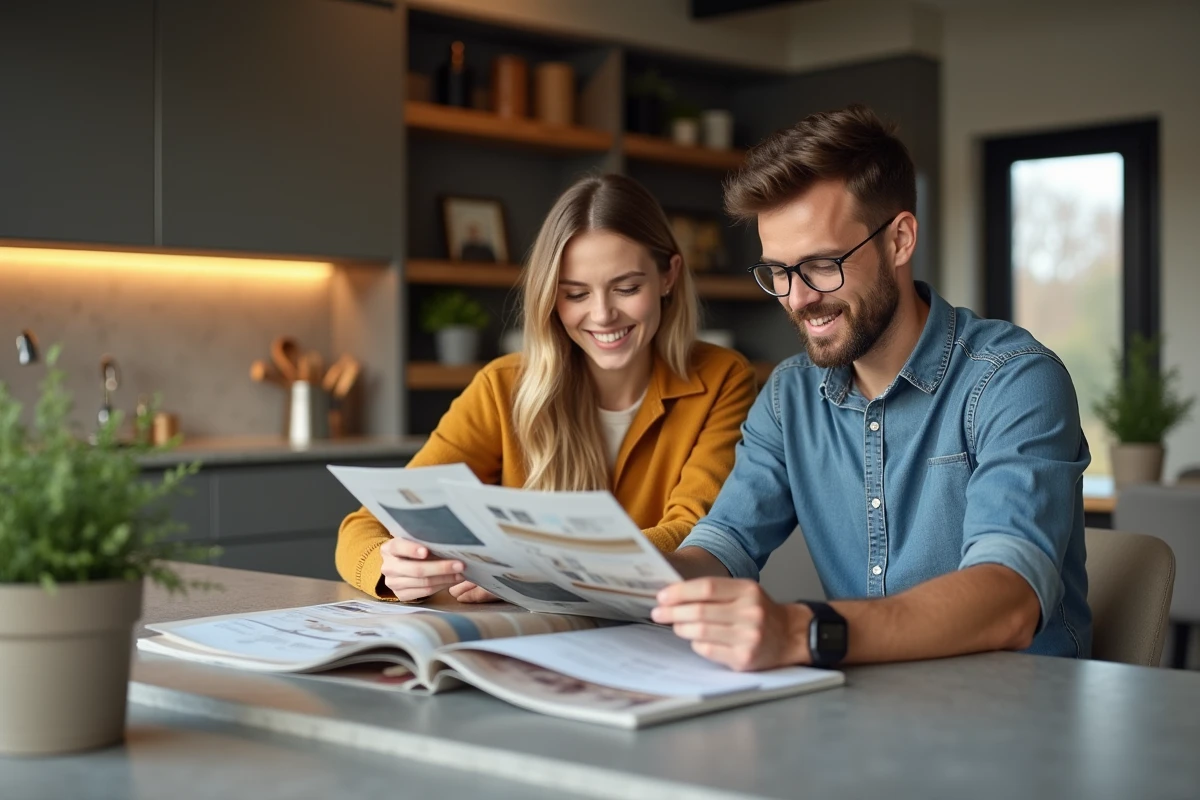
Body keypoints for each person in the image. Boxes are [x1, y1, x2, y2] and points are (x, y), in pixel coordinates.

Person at [652, 105, 1092, 670]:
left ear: (900, 239)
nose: (798, 298)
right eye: (779, 272)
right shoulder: (790, 398)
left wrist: (797, 630)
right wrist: (593, 577)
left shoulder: (1015, 380)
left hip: (1021, 721)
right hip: (867, 714)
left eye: (820, 265)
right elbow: (722, 545)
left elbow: (1008, 598)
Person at [336, 174, 758, 602]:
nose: (603, 314)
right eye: (575, 294)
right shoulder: (502, 387)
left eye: (627, 288)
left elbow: (696, 534)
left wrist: (534, 567)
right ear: (550, 298)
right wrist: (388, 564)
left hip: (664, 635)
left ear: (669, 275)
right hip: (528, 642)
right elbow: (365, 526)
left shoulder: (722, 378)